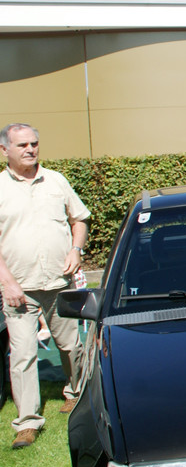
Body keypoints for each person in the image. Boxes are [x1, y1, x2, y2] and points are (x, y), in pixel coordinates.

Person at [0, 123, 90, 449]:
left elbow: (79, 219)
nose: (30, 149)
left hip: (58, 282)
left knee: (71, 346)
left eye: (34, 143)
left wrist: (76, 250)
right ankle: (27, 422)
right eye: (22, 145)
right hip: (18, 289)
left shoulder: (56, 181)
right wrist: (7, 282)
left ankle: (75, 392)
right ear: (4, 150)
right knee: (22, 354)